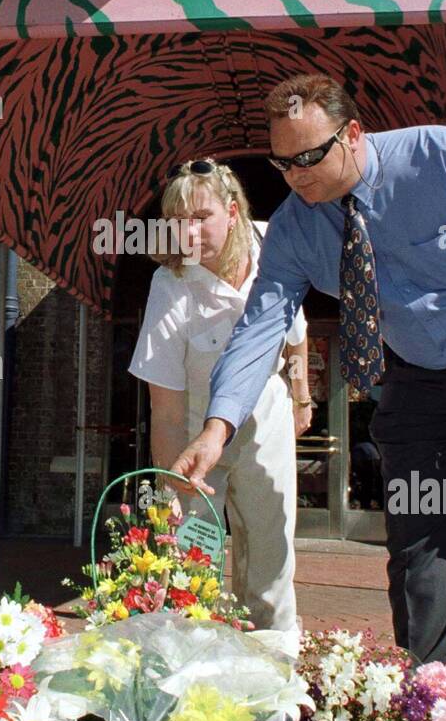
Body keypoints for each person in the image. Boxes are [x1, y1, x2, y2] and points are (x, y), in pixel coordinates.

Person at [170, 75, 446, 667]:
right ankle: (432, 696)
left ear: (353, 134)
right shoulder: (294, 227)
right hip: (415, 378)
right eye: (283, 162)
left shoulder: (443, 157)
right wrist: (217, 429)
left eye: (309, 157)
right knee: (421, 540)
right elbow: (260, 329)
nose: (296, 175)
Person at [128, 158, 311, 630]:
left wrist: (301, 396)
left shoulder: (272, 245)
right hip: (194, 425)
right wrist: (172, 485)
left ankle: (273, 655)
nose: (188, 232)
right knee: (192, 557)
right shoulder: (170, 286)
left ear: (232, 212)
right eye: (177, 221)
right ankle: (194, 652)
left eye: (200, 216)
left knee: (271, 551)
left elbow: (296, 332)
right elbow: (166, 408)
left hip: (266, 412)